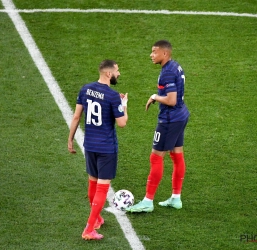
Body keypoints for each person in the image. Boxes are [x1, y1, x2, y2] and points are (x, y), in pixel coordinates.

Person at [126, 40, 189, 213]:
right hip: (181, 115)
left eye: (154, 52)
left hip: (169, 120)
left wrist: (154, 97)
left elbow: (171, 100)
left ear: (165, 54)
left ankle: (148, 201)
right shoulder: (176, 66)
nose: (151, 55)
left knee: (156, 158)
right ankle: (176, 198)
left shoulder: (167, 73)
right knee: (177, 155)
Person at [68, 59, 128, 240]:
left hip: (90, 146)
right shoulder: (112, 96)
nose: (118, 73)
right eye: (117, 70)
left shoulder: (85, 89)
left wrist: (70, 139)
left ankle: (97, 219)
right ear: (108, 73)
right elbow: (122, 123)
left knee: (92, 183)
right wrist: (124, 105)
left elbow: (77, 115)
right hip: (106, 148)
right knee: (102, 188)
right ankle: (89, 229)